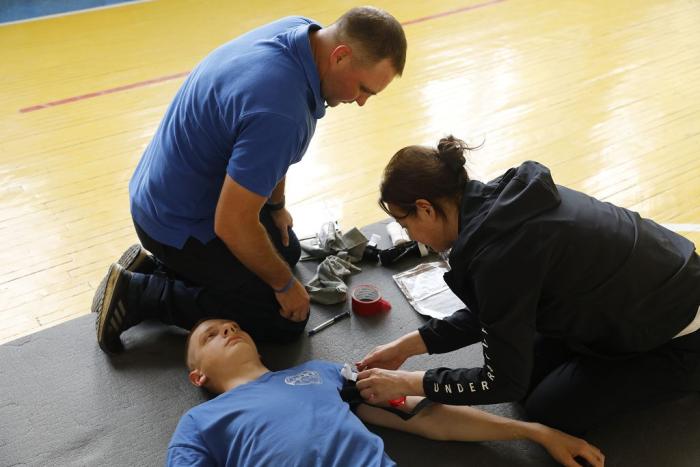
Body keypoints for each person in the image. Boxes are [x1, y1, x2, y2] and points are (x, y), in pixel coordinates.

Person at [92, 7, 407, 353]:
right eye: (363, 88)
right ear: (340, 55)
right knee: (283, 319)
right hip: (176, 224)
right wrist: (285, 286)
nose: (361, 102)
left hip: (161, 194)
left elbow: (268, 152)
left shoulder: (301, 32)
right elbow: (232, 223)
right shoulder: (282, 113)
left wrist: (276, 206)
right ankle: (140, 293)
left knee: (286, 250)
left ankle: (158, 270)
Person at [355, 136, 700, 436]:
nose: (412, 236)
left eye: (405, 225)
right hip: (643, 289)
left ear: (425, 209)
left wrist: (408, 382)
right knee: (528, 372)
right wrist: (406, 346)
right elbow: (495, 308)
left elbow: (503, 382)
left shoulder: (499, 255)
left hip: (677, 331)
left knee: (549, 409)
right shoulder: (501, 202)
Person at [167, 318, 605, 466]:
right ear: (198, 377)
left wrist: (535, 432)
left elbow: (426, 416)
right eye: (211, 336)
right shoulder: (199, 422)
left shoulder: (320, 373)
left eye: (233, 326)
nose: (228, 330)